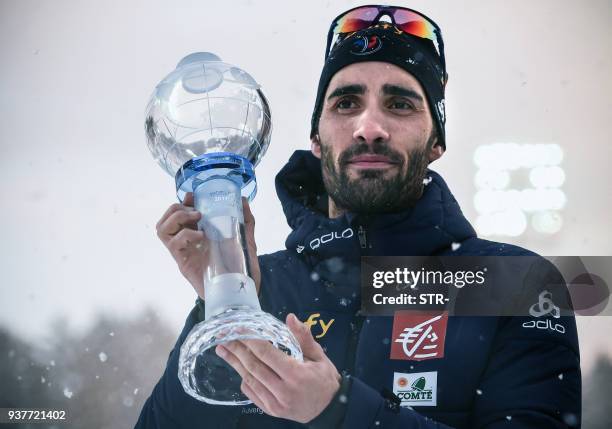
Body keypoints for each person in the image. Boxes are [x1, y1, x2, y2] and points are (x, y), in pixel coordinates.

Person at [135, 5, 581, 428]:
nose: (369, 127)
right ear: (316, 136)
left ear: (436, 143)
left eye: (400, 104)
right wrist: (223, 307)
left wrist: (338, 410)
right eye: (346, 103)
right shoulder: (264, 288)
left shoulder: (516, 284)